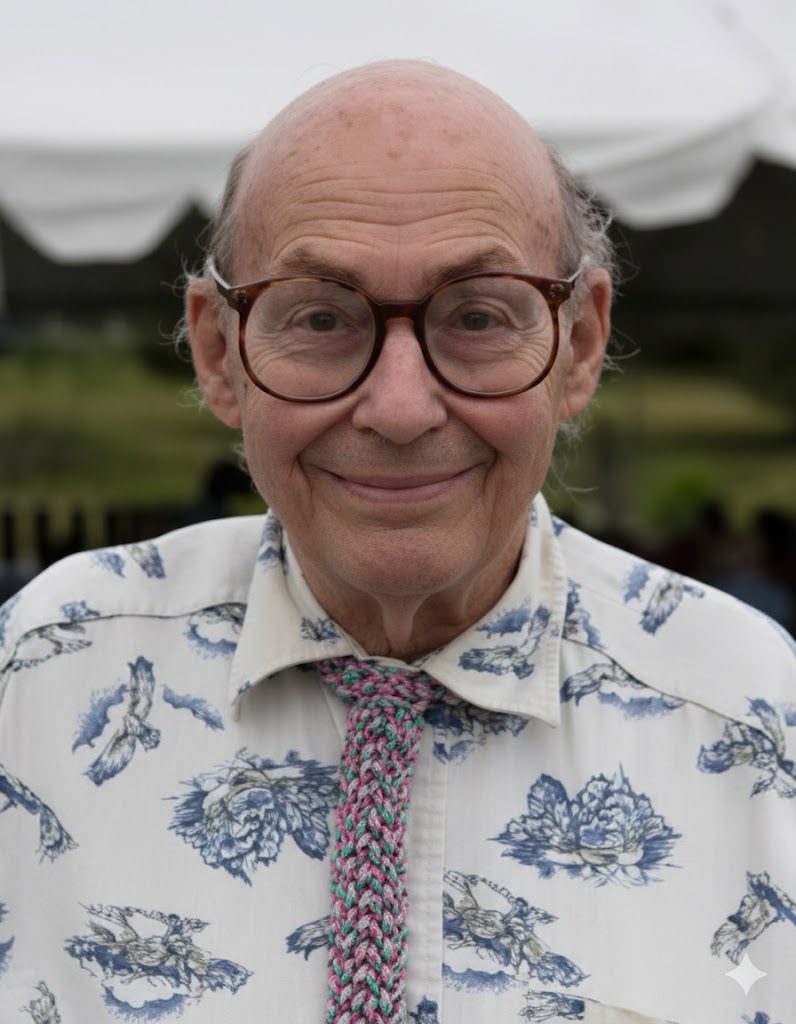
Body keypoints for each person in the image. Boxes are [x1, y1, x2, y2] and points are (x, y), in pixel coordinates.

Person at [1, 60, 794, 1024]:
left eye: (478, 316)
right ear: (218, 354)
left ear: (580, 345)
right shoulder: (40, 676)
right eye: (321, 318)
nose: (402, 407)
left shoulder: (755, 723)